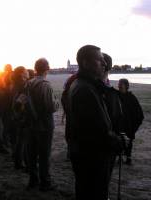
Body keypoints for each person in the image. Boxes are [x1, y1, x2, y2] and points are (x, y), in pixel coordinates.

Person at [66, 45, 120, 200]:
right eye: (100, 59)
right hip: (91, 156)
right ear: (85, 63)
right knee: (95, 192)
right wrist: (117, 141)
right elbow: (98, 130)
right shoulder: (85, 89)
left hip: (84, 152)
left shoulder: (84, 84)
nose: (104, 63)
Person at [27, 58, 59, 191]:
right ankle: (45, 182)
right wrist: (56, 103)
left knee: (32, 154)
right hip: (44, 125)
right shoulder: (45, 85)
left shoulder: (28, 83)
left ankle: (33, 180)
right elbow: (50, 107)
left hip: (31, 124)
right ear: (47, 69)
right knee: (44, 155)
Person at [118, 78, 144, 165]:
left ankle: (128, 158)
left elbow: (139, 114)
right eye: (119, 84)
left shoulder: (131, 97)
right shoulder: (116, 96)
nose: (120, 85)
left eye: (122, 84)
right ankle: (120, 157)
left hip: (128, 124)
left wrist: (134, 125)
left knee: (128, 140)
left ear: (126, 86)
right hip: (119, 123)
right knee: (119, 140)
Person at [11, 66, 30, 170]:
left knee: (20, 140)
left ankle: (18, 162)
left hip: (17, 116)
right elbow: (18, 103)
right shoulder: (22, 86)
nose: (28, 72)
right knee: (24, 142)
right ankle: (23, 163)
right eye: (26, 71)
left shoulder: (16, 84)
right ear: (22, 74)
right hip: (22, 117)